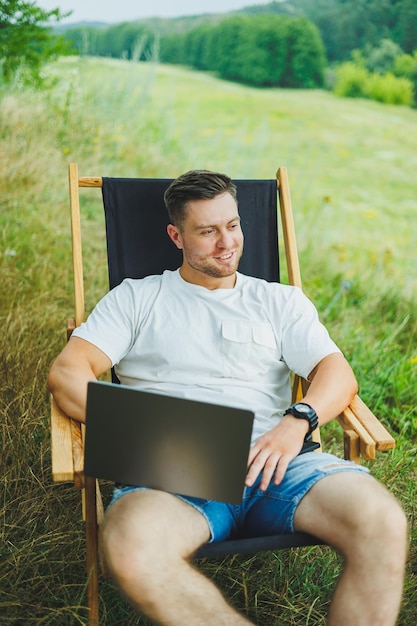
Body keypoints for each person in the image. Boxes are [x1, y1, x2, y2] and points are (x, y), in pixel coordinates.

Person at [48, 169, 407, 626]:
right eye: (207, 231)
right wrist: (160, 437)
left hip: (278, 462)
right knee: (131, 546)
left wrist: (298, 420)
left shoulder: (279, 301)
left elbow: (336, 373)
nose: (227, 243)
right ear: (175, 235)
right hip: (174, 474)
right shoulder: (136, 300)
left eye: (233, 225)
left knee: (383, 522)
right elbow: (67, 373)